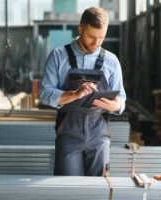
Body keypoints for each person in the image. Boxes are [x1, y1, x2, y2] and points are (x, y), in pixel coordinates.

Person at [39, 7, 126, 176]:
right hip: (69, 133)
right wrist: (73, 95)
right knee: (69, 188)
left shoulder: (111, 61)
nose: (96, 43)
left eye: (101, 37)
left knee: (98, 189)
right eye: (91, 37)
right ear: (80, 29)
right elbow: (45, 93)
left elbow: (121, 98)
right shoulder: (58, 56)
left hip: (99, 135)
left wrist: (116, 105)